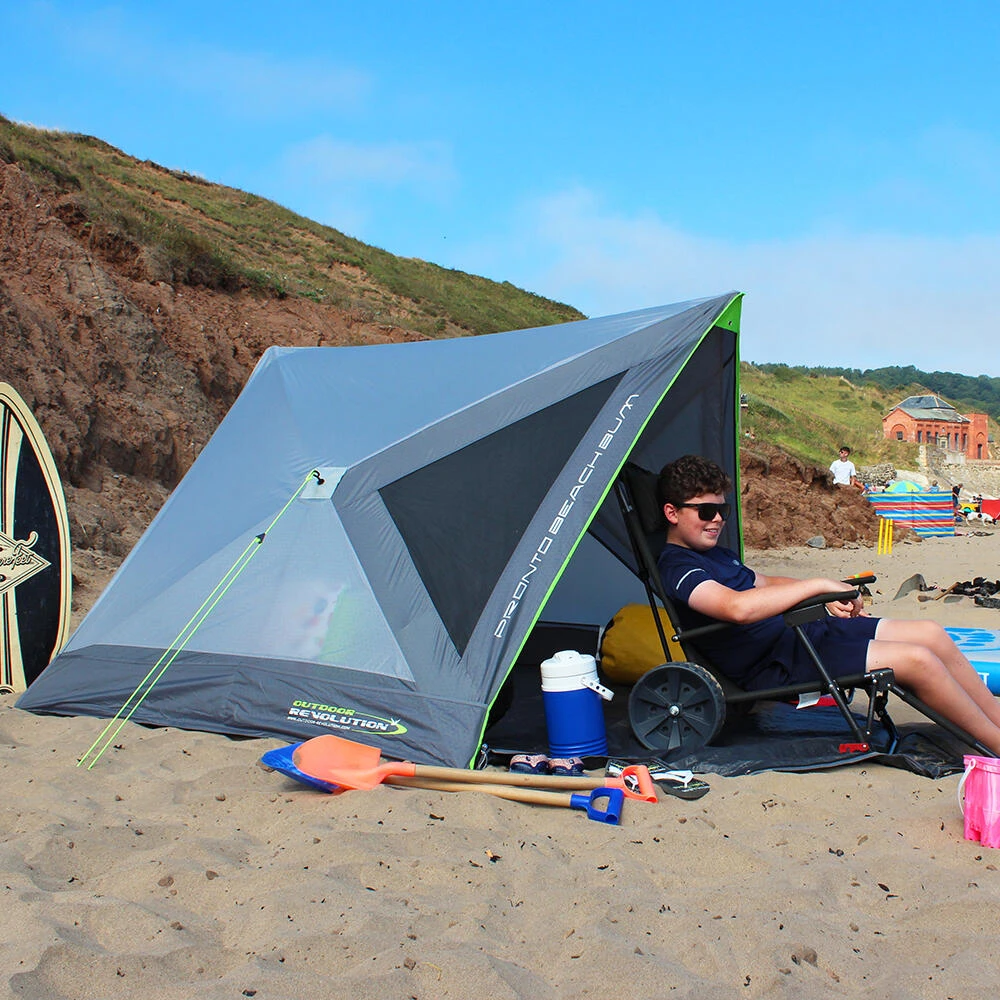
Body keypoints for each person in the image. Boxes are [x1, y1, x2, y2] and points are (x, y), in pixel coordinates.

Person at [656, 454, 1000, 756]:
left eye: (722, 510)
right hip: (776, 662)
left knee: (931, 634)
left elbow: (766, 583)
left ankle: (996, 721)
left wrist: (830, 594)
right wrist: (817, 585)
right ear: (672, 512)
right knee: (919, 661)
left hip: (803, 634)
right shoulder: (679, 567)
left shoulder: (717, 556)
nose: (717, 519)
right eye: (706, 511)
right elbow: (736, 608)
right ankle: (994, 744)